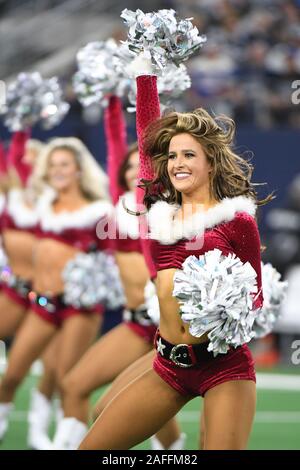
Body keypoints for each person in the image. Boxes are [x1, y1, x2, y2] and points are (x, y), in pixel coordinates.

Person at [79, 61, 271, 450]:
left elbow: (256, 293)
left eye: (189, 155)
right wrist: (144, 75)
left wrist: (223, 306)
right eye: (172, 156)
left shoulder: (235, 220)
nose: (178, 163)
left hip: (224, 366)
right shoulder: (157, 209)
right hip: (169, 364)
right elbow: (147, 135)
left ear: (210, 162)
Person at [53, 97, 184, 450]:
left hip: (162, 323)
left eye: (135, 168)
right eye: (124, 169)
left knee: (138, 403)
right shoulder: (118, 203)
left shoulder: (159, 204)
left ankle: (172, 451)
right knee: (75, 385)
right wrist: (111, 100)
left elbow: (146, 150)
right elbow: (113, 141)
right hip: (134, 321)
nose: (130, 173)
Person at [0, 137, 111, 445]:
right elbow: (15, 172)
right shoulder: (44, 204)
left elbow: (113, 256)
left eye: (64, 164)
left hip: (79, 308)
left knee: (66, 381)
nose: (57, 170)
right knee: (11, 374)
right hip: (42, 302)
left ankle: (65, 442)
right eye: (53, 165)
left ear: (78, 169)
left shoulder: (99, 210)